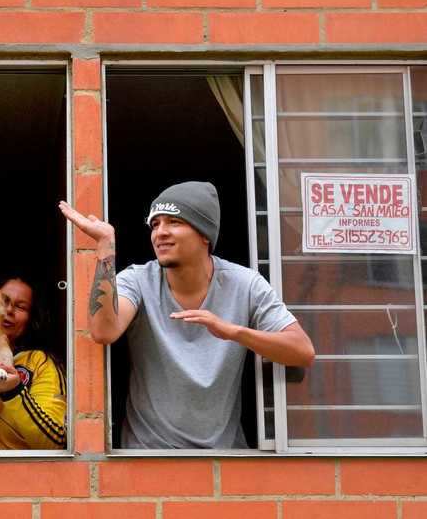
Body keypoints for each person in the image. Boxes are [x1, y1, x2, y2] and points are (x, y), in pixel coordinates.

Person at [59, 181, 315, 449]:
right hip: (147, 457)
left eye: (174, 222)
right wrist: (105, 246)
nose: (161, 233)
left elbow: (302, 351)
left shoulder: (245, 284)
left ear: (205, 234)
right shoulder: (138, 279)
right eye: (155, 224)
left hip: (223, 460)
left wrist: (234, 332)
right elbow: (103, 331)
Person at [0, 275, 67, 449]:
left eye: (20, 307)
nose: (9, 310)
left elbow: (55, 441)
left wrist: (14, 392)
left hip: (12, 473)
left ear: (32, 318)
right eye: (3, 301)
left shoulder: (40, 362)